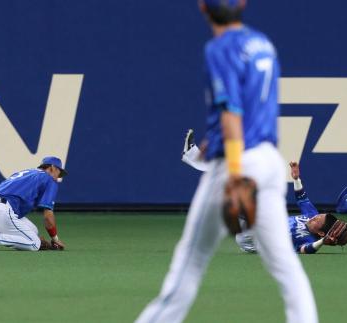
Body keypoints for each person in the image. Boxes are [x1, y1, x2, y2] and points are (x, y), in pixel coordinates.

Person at [135, 1, 318, 322]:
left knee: (189, 263)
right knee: (286, 268)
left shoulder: (219, 49)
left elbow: (231, 112)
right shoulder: (263, 44)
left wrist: (234, 174)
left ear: (203, 7)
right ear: (242, 4)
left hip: (239, 163)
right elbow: (251, 107)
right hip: (268, 160)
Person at [182, 131, 347, 254]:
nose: (315, 217)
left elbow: (307, 251)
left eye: (318, 221)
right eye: (319, 215)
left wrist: (322, 242)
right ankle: (195, 158)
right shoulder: (311, 215)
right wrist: (297, 178)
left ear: (320, 233)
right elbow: (301, 197)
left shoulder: (309, 240)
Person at [0, 156, 67, 251]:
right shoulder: (49, 179)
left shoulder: (28, 172)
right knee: (35, 244)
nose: (58, 177)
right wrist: (55, 239)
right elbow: (48, 217)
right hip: (3, 213)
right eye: (59, 172)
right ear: (52, 168)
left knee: (34, 231)